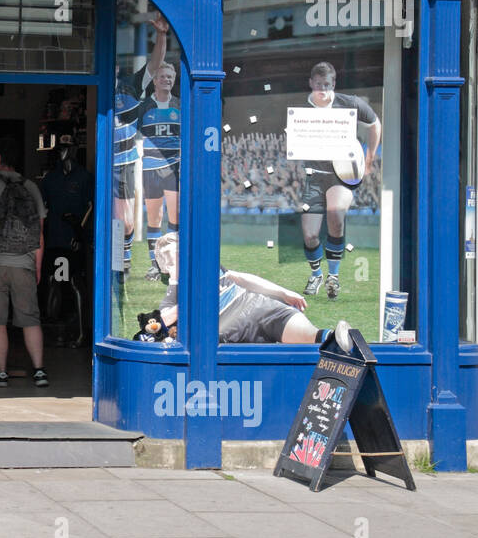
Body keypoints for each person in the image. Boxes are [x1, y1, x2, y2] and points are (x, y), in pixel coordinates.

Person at [297, 62, 382, 300]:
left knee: (335, 213)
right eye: (318, 84)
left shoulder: (351, 103)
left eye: (327, 84)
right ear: (311, 83)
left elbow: (375, 123)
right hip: (314, 175)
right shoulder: (302, 110)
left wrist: (370, 157)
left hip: (342, 174)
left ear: (333, 84)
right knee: (310, 235)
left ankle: (333, 277)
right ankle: (316, 275)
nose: (322, 89)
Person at [152, 232, 328, 344]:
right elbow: (161, 322)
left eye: (184, 255)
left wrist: (283, 292)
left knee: (311, 337)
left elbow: (240, 278)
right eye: (174, 260)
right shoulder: (172, 297)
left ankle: (341, 343)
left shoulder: (208, 267)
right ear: (165, 268)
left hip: (258, 307)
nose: (184, 262)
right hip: (231, 331)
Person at [0, 137, 48, 387]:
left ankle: (1, 373)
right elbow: (39, 234)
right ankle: (39, 371)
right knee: (30, 319)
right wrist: (37, 266)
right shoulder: (32, 188)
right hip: (24, 263)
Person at [113, 15, 169, 278]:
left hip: (123, 164)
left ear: (115, 68)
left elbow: (154, 65)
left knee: (124, 222)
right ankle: (115, 264)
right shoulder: (95, 90)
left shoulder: (130, 87)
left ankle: (123, 260)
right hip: (101, 162)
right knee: (107, 219)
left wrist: (161, 35)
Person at [40, 134, 93, 347]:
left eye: (68, 147)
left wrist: (81, 233)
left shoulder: (84, 177)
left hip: (74, 241)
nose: (64, 151)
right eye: (61, 147)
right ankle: (58, 332)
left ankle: (80, 332)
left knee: (75, 283)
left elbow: (91, 207)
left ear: (75, 149)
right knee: (55, 283)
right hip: (54, 240)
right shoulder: (50, 179)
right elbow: (42, 209)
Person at [132, 58, 182, 281]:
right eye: (162, 76)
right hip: (151, 167)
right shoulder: (143, 107)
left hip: (174, 166)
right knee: (154, 218)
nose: (167, 80)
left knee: (175, 217)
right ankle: (154, 264)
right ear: (154, 80)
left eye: (170, 77)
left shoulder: (180, 105)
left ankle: (172, 263)